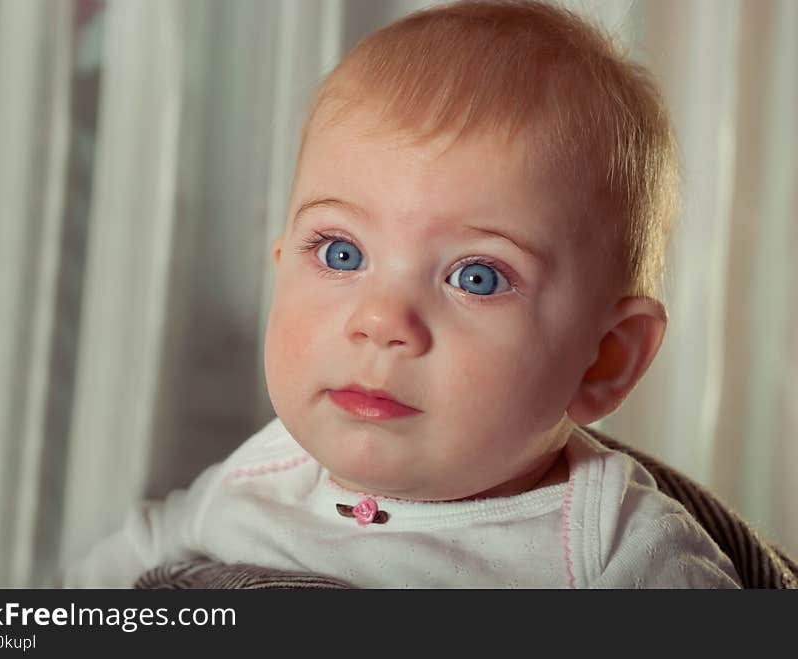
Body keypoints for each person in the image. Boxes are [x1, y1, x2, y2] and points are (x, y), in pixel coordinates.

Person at [65, 0, 740, 588]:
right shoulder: (256, 474)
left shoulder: (614, 547)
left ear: (606, 358)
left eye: (477, 276)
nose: (382, 321)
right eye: (341, 253)